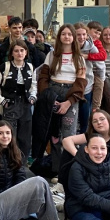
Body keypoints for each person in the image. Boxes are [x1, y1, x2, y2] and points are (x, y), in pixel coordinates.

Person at [32, 24, 86, 164]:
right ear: (59, 37)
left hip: (71, 94)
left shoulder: (79, 58)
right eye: (63, 34)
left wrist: (69, 102)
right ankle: (56, 168)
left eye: (69, 34)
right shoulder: (51, 55)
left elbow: (81, 83)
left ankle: (68, 168)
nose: (66, 37)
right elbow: (43, 77)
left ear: (73, 37)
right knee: (54, 134)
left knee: (68, 134)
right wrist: (47, 97)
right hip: (53, 92)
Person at [0, 41, 37, 157]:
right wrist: (1, 101)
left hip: (26, 105)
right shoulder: (4, 67)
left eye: (22, 50)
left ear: (26, 52)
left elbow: (34, 85)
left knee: (25, 138)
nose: (19, 53)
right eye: (16, 51)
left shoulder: (30, 67)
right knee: (9, 136)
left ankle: (22, 163)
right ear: (11, 53)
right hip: (10, 105)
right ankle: (9, 161)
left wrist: (33, 97)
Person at [62, 109, 110, 176]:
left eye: (102, 119)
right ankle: (62, 181)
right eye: (95, 121)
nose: (99, 122)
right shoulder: (92, 135)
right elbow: (66, 140)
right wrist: (78, 156)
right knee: (68, 151)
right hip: (91, 168)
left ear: (109, 120)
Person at [74, 23, 106, 134]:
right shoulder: (68, 46)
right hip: (70, 87)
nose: (81, 37)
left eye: (84, 34)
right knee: (70, 119)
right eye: (78, 35)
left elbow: (101, 62)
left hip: (86, 87)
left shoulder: (92, 47)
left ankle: (84, 140)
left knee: (85, 118)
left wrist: (100, 80)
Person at [0, 121, 30, 196]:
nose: (5, 136)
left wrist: (17, 192)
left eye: (8, 133)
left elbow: (20, 175)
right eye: (0, 133)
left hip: (12, 193)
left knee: (39, 184)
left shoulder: (15, 151)